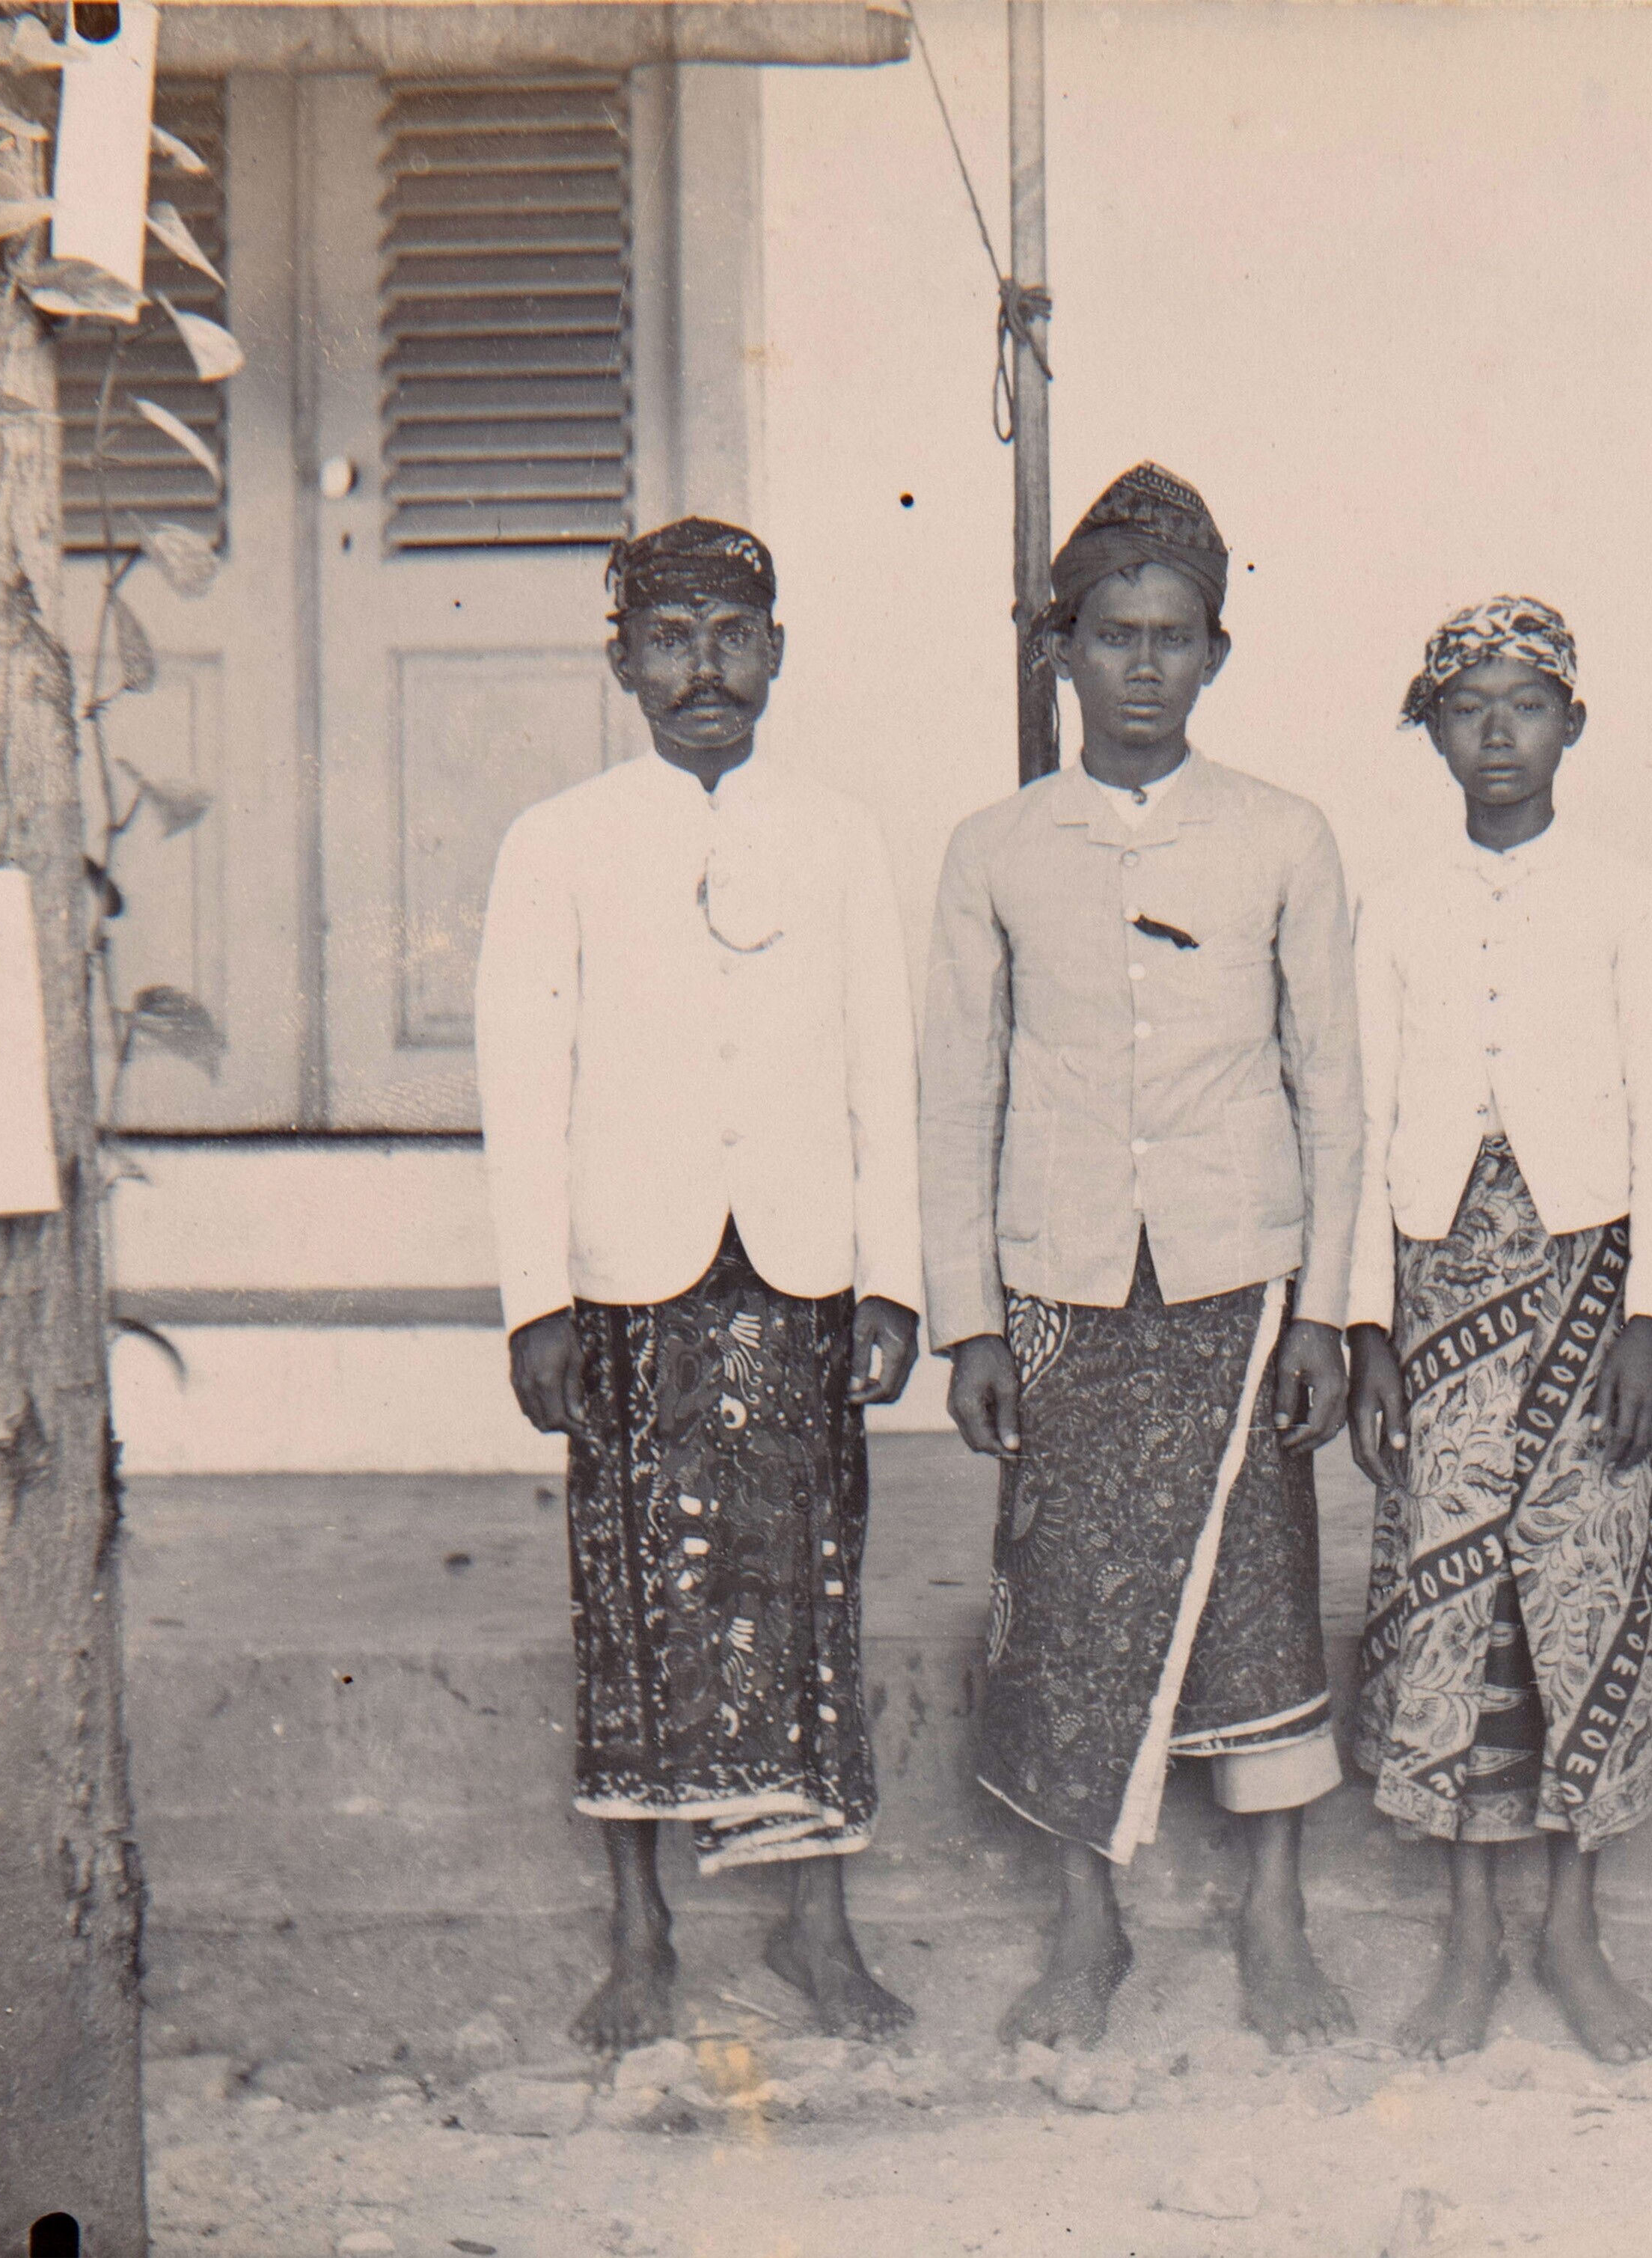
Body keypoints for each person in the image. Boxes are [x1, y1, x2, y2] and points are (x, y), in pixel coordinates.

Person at [921, 464, 1363, 2054]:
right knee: (1065, 1600)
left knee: (1259, 1588)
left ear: (1216, 654)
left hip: (1238, 1274)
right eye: (1114, 635)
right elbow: (956, 1092)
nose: (1144, 667)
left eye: (1175, 637)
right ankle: (1084, 1926)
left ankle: (1274, 1916)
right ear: (1060, 648)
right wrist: (969, 1321)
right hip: (1065, 1282)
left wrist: (1327, 1311)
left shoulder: (1283, 834)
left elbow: (1332, 1083)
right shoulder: (995, 847)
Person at [476, 517, 924, 2052]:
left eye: (732, 635)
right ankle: (640, 1930)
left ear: (777, 652)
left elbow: (881, 1070)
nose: (703, 669)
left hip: (797, 1273)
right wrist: (535, 1298)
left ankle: (818, 1926)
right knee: (630, 1595)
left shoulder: (839, 836)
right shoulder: (558, 841)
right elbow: (523, 1085)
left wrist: (892, 1280)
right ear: (622, 663)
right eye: (669, 639)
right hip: (630, 1282)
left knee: (809, 1592)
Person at [1344, 596, 1652, 2065]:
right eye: (1467, 706)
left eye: (1527, 704)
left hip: (1585, 1287)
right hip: (1438, 1285)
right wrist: (1367, 1329)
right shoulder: (1396, 908)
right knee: (1454, 1603)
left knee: (1585, 1596)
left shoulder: (1624, 898)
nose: (1498, 733)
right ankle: (1468, 1938)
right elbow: (1365, 1124)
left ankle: (1572, 1932)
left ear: (1573, 724)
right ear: (1432, 730)